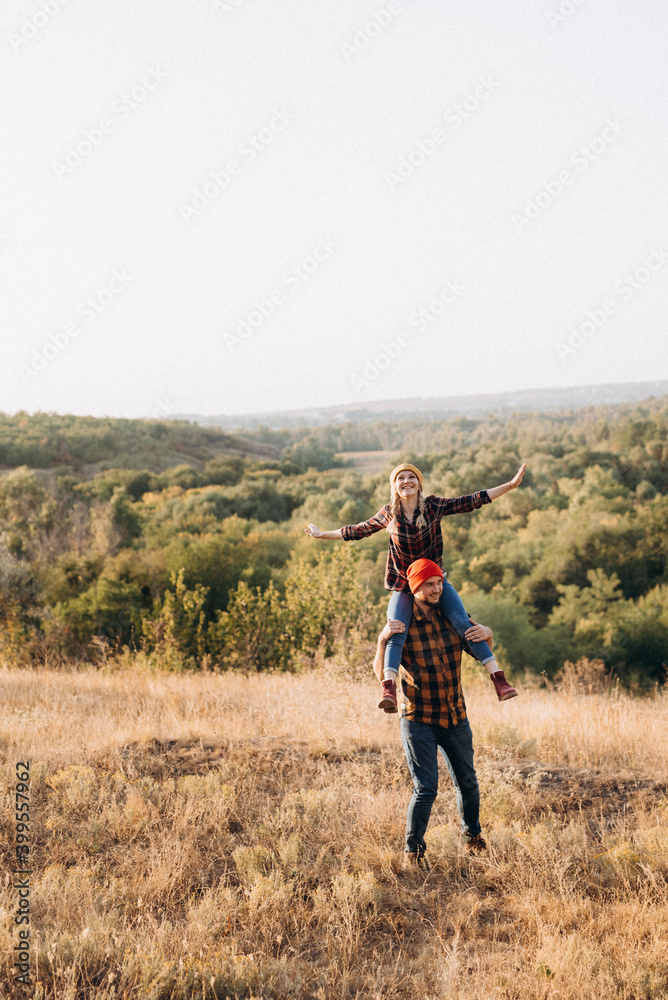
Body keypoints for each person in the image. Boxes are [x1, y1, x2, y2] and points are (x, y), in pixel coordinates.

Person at [305, 460, 525, 711]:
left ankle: (499, 680)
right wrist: (322, 535)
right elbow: (358, 530)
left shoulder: (433, 506)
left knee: (465, 624)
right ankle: (389, 687)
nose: (407, 481)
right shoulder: (388, 513)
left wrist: (510, 485)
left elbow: (471, 500)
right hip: (405, 585)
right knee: (396, 630)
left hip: (433, 579)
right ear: (395, 486)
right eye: (401, 478)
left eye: (412, 477)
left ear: (419, 484)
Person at [373, 558, 493, 866]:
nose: (437, 588)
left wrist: (488, 633)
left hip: (455, 715)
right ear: (415, 588)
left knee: (468, 782)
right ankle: (413, 851)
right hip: (418, 719)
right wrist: (381, 641)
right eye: (429, 584)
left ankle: (473, 838)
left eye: (440, 582)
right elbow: (381, 673)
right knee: (426, 788)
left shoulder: (454, 618)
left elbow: (480, 647)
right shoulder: (401, 625)